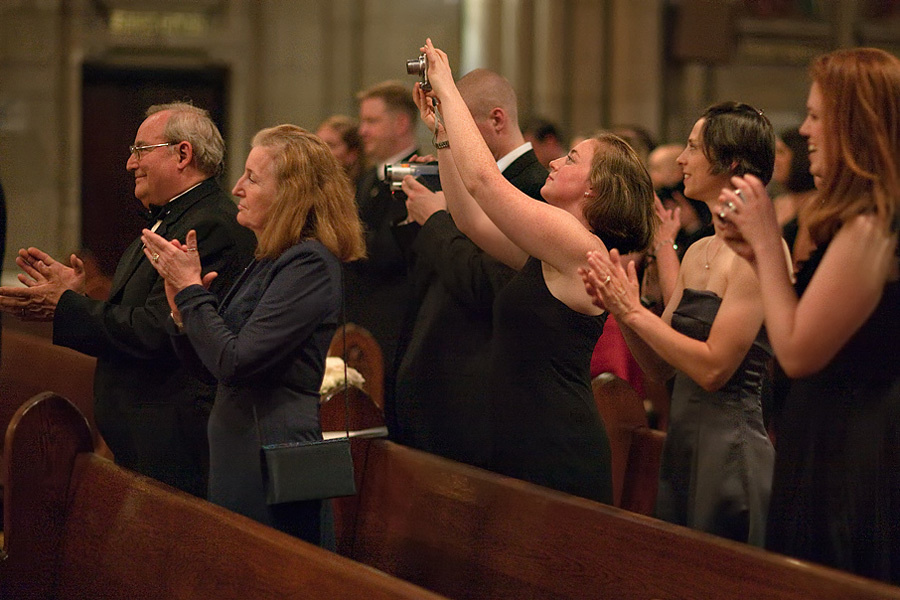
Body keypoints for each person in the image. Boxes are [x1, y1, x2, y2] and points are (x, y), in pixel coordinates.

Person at [416, 39, 656, 503]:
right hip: (525, 439)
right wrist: (443, 132)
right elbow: (470, 219)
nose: (556, 159)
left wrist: (446, 86)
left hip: (557, 446)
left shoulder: (579, 244)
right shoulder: (555, 250)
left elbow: (484, 183)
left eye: (572, 159)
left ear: (595, 188)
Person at [0, 103, 256, 497]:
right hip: (149, 444)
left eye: (140, 150)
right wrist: (77, 295)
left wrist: (66, 306)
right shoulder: (174, 217)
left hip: (176, 447)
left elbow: (158, 331)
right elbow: (138, 316)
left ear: (182, 154)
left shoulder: (207, 226)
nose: (129, 163)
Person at [718, 47, 900, 583]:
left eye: (817, 116)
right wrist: (760, 254)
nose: (805, 131)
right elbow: (806, 318)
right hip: (833, 435)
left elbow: (797, 352)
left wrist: (766, 242)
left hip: (848, 449)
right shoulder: (864, 221)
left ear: (855, 127)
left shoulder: (870, 226)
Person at [141, 125, 365, 545]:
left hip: (272, 456)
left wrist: (192, 293)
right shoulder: (270, 259)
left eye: (253, 178)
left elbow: (237, 362)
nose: (237, 188)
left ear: (290, 195)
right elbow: (211, 368)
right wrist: (182, 311)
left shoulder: (309, 264)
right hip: (242, 449)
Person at [582, 101, 779, 545]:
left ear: (730, 163)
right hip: (682, 444)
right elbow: (660, 367)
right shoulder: (697, 251)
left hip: (731, 452)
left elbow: (713, 369)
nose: (681, 161)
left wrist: (633, 312)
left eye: (693, 148)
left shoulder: (760, 252)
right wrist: (621, 306)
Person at [392, 67, 547, 467]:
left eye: (459, 123)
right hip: (433, 381)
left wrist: (437, 220)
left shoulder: (534, 188)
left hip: (473, 394)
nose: (454, 135)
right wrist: (421, 211)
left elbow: (486, 285)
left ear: (496, 120)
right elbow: (426, 274)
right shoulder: (459, 178)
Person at [347, 80, 421, 412]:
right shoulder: (368, 177)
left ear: (401, 123)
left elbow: (388, 252)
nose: (362, 130)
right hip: (359, 321)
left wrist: (337, 231)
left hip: (394, 325)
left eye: (372, 121)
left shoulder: (416, 174)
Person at [770, 127, 817, 270]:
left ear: (799, 156)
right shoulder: (778, 202)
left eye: (781, 152)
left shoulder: (816, 203)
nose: (775, 160)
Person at [316, 114, 363, 182]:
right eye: (317, 143)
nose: (319, 150)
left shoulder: (368, 185)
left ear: (352, 154)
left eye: (330, 145)